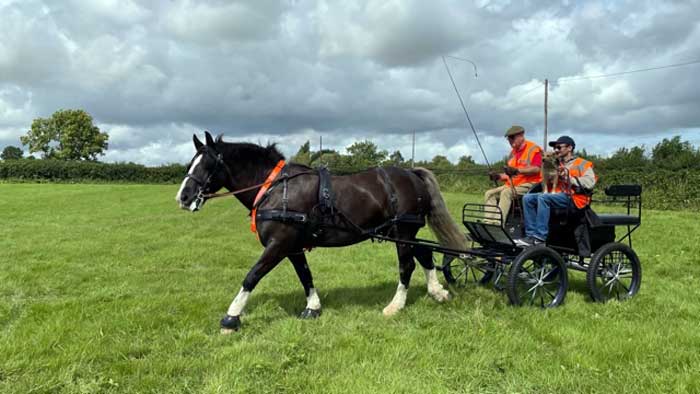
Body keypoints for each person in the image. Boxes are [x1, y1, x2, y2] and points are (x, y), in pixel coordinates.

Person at [517, 136, 596, 246]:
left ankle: (540, 237)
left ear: (570, 148)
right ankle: (530, 235)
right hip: (556, 195)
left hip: (574, 199)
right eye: (554, 148)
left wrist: (569, 178)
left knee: (543, 198)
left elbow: (590, 183)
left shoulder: (583, 164)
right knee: (527, 198)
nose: (556, 150)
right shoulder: (554, 163)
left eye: (559, 147)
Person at [484, 125, 542, 224]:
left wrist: (517, 171)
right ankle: (488, 222)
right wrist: (498, 176)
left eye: (512, 137)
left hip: (531, 184)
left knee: (506, 193)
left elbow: (537, 169)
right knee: (489, 193)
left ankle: (498, 223)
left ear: (521, 135)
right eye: (508, 138)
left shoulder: (534, 149)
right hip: (512, 184)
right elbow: (509, 174)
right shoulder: (512, 153)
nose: (510, 141)